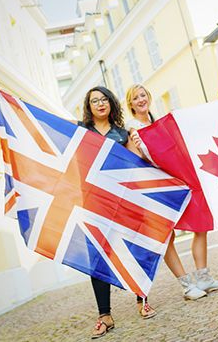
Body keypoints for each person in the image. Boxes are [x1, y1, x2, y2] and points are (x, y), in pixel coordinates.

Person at [125, 84, 218, 301]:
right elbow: (137, 163)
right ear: (131, 104)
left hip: (178, 180)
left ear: (149, 97)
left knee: (200, 223)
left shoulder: (158, 122)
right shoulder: (132, 129)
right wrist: (141, 147)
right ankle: (186, 285)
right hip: (157, 187)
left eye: (143, 95)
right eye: (136, 98)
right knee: (167, 235)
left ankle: (203, 277)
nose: (141, 100)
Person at [79, 86, 156, 339]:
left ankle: (141, 299)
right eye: (94, 101)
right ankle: (104, 315)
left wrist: (138, 145)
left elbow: (137, 166)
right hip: (94, 203)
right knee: (98, 257)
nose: (100, 104)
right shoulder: (81, 131)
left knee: (135, 248)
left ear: (112, 103)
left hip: (124, 201)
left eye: (104, 99)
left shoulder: (123, 134)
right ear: (89, 107)